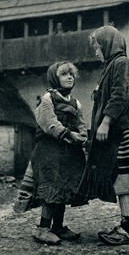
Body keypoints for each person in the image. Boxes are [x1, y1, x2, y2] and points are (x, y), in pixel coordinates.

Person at [76, 25, 129, 246]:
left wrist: (105, 122)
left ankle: (128, 227)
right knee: (120, 178)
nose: (96, 52)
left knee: (124, 178)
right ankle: (128, 224)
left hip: (120, 130)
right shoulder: (110, 67)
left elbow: (120, 95)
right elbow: (112, 94)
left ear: (107, 44)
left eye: (97, 47)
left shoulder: (122, 63)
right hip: (115, 131)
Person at [30, 61, 88, 244]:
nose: (69, 77)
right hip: (50, 151)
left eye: (71, 74)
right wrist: (68, 134)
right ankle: (43, 228)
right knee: (51, 187)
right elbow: (49, 122)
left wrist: (83, 133)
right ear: (55, 78)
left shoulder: (75, 102)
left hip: (69, 152)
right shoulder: (48, 98)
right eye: (64, 74)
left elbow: (80, 121)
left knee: (63, 187)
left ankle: (58, 227)